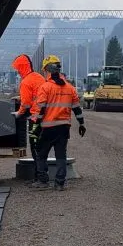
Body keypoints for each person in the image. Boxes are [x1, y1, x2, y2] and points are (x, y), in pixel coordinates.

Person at [31, 55, 86, 191]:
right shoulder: (70, 88)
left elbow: (41, 109)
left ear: (47, 70)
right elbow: (77, 109)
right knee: (61, 155)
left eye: (44, 70)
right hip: (64, 128)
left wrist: (36, 126)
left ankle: (43, 181)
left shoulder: (45, 87)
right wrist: (81, 124)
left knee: (41, 154)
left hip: (48, 127)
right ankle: (60, 183)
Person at [11, 54, 46, 183]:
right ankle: (40, 176)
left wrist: (19, 113)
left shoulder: (25, 82)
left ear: (22, 68)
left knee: (35, 147)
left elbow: (26, 103)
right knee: (42, 147)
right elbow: (36, 95)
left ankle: (40, 178)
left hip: (35, 118)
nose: (18, 72)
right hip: (45, 117)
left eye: (18, 69)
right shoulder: (39, 77)